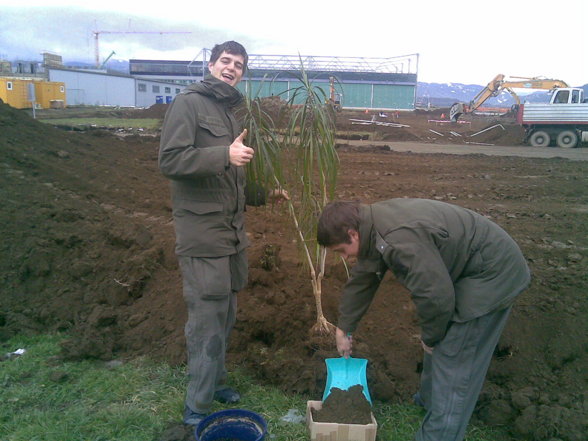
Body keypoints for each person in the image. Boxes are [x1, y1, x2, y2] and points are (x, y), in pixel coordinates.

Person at [317, 198, 531, 441]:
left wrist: (431, 336)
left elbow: (435, 295)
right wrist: (344, 328)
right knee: (438, 341)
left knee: (454, 352)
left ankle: (440, 431)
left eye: (341, 251)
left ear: (352, 234)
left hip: (492, 272)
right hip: (470, 266)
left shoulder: (397, 239)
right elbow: (363, 278)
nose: (344, 258)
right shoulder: (372, 227)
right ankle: (428, 402)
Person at [159, 40, 287, 427]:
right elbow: (171, 160)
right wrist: (222, 155)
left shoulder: (229, 112)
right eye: (225, 62)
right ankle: (196, 407)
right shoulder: (189, 103)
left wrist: (264, 194)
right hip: (203, 236)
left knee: (226, 316)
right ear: (211, 65)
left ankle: (215, 384)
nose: (231, 68)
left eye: (239, 65)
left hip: (231, 238)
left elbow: (232, 177)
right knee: (206, 322)